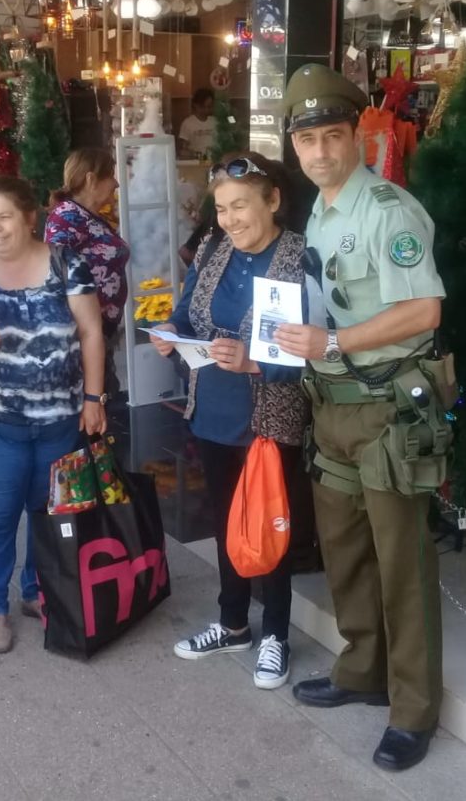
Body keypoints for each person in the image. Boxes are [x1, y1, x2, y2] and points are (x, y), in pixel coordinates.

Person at [273, 64, 449, 773]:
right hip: (333, 407)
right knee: (345, 553)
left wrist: (336, 342)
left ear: (356, 135)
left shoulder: (387, 210)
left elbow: (424, 310)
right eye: (306, 139)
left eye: (331, 136)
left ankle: (413, 710)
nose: (319, 152)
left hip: (384, 408)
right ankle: (361, 669)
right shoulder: (321, 205)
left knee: (401, 565)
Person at [150, 153, 309, 690]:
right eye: (221, 208)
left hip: (267, 420)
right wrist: (167, 334)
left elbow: (313, 356)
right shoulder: (215, 250)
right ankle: (234, 623)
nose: (230, 219)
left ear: (273, 201)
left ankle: (277, 636)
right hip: (212, 411)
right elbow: (185, 309)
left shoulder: (298, 259)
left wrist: (254, 361)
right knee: (226, 524)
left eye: (241, 206)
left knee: (271, 527)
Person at [0, 175, 107, 655]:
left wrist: (94, 399)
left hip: (59, 419)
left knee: (47, 514)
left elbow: (91, 334)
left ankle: (37, 591)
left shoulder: (67, 264)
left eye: (4, 217)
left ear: (29, 217)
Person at [44, 147, 130, 398]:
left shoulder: (84, 216)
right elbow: (55, 274)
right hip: (82, 335)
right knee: (94, 400)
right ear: (92, 179)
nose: (115, 182)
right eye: (110, 175)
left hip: (99, 330)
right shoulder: (67, 218)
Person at [178, 88, 217, 160]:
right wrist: (195, 154)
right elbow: (182, 151)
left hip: (214, 161)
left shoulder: (215, 121)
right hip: (196, 162)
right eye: (203, 107)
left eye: (209, 106)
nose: (206, 110)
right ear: (196, 105)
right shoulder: (188, 123)